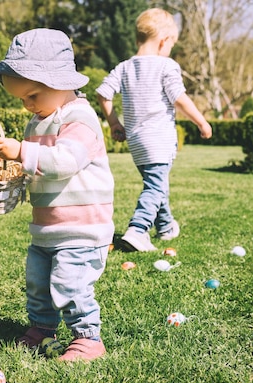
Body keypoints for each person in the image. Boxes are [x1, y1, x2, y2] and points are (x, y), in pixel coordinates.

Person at [0, 28, 114, 361]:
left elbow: (64, 161)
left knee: (70, 284)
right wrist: (9, 162)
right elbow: (37, 166)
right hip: (47, 226)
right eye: (21, 99)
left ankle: (89, 338)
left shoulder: (80, 118)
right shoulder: (38, 121)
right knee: (39, 284)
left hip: (82, 228)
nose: (27, 105)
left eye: (32, 95)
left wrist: (22, 151)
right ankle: (42, 328)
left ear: (60, 82)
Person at [96, 8, 212, 252]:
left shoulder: (124, 67)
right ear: (163, 41)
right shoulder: (166, 65)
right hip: (159, 140)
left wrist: (115, 123)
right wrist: (201, 121)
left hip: (137, 142)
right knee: (155, 186)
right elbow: (178, 98)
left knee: (156, 183)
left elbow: (103, 93)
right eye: (171, 45)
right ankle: (138, 230)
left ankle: (166, 226)